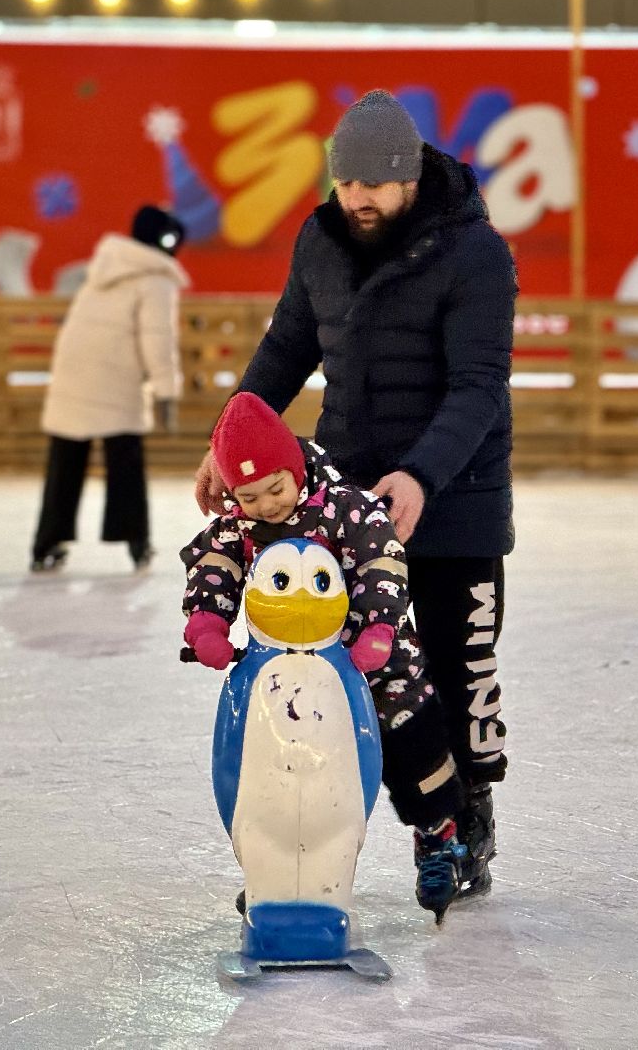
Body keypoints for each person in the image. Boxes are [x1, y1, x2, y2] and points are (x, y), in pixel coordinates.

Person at [193, 90, 517, 902]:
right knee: (336, 672)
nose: (358, 199)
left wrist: (421, 475)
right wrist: (228, 439)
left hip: (456, 499)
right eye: (346, 183)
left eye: (374, 184)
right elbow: (286, 347)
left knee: (453, 671)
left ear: (409, 178)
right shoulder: (323, 241)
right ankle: (307, 842)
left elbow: (479, 386)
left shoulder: (474, 252)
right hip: (343, 498)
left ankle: (462, 824)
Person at [182, 392, 468, 921]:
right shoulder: (239, 526)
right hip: (282, 669)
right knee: (276, 763)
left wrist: (378, 627)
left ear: (296, 469)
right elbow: (213, 564)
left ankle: (438, 837)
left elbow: (381, 559)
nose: (267, 506)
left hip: (371, 660)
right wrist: (206, 622)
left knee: (411, 737)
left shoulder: (345, 508)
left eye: (276, 489)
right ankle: (279, 871)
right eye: (249, 497)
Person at [31, 205, 188, 573]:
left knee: (66, 457)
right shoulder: (155, 279)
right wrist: (166, 392)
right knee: (125, 459)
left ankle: (47, 543)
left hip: (74, 372)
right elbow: (157, 340)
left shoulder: (106, 266)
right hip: (116, 378)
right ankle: (136, 541)